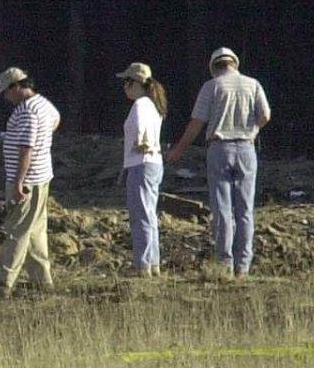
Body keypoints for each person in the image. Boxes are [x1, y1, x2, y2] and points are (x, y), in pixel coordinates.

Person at [166, 47, 272, 276]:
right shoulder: (253, 84)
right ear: (234, 63)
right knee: (245, 209)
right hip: (246, 148)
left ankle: (225, 262)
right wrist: (251, 130)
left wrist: (179, 149)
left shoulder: (211, 86)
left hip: (219, 147)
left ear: (214, 67)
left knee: (223, 208)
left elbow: (197, 122)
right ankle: (244, 264)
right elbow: (265, 115)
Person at [0, 68, 62, 296]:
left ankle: (4, 281)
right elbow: (56, 120)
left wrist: (18, 182)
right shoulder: (43, 104)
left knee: (16, 229)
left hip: (27, 179)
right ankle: (43, 279)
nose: (5, 97)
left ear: (17, 87)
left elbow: (26, 150)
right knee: (35, 230)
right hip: (42, 175)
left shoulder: (26, 112)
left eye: (7, 91)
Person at [116, 63, 166, 276]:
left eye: (127, 82)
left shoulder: (140, 104)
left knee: (140, 216)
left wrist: (139, 142)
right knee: (149, 215)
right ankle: (152, 263)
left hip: (141, 163)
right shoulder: (153, 105)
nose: (125, 86)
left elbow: (139, 132)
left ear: (136, 83)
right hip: (153, 163)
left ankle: (143, 265)